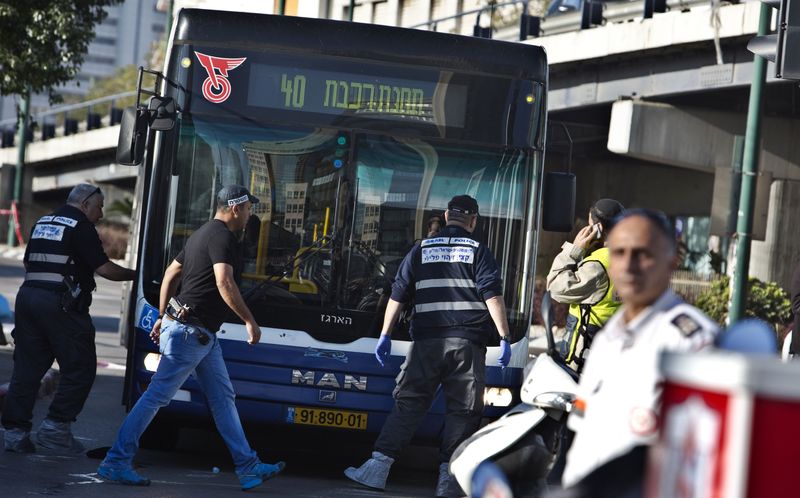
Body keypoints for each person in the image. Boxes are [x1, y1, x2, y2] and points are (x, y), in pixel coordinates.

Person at [97, 185, 285, 490]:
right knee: (157, 397)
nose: (250, 215)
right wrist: (250, 321)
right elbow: (224, 282)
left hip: (197, 333)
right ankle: (115, 462)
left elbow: (172, 273)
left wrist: (161, 316)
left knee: (223, 398)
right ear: (236, 208)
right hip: (191, 334)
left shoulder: (201, 234)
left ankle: (249, 468)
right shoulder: (222, 237)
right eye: (249, 208)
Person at [344, 194, 513, 498]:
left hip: (426, 343)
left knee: (409, 403)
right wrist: (503, 336)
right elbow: (492, 295)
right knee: (462, 411)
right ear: (473, 221)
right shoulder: (479, 250)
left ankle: (376, 469)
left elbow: (398, 293)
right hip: (466, 344)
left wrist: (384, 333)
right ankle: (448, 482)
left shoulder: (421, 248)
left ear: (447, 215)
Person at [558, 208, 719, 497]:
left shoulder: (692, 340)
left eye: (642, 254)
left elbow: (708, 457)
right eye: (619, 253)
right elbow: (583, 442)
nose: (628, 265)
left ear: (671, 263)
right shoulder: (608, 339)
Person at [2, 184, 136, 454]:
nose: (101, 213)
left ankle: (14, 434)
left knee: (27, 370)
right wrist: (138, 275)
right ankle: (55, 429)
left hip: (28, 300)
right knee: (81, 367)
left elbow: (30, 263)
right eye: (99, 206)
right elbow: (105, 268)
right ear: (85, 203)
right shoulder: (80, 225)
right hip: (60, 305)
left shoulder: (44, 221)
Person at [546, 198, 625, 371]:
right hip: (614, 359)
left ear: (599, 228)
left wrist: (574, 250)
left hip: (584, 363)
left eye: (590, 224)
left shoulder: (598, 265)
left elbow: (554, 287)